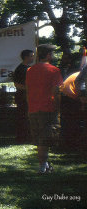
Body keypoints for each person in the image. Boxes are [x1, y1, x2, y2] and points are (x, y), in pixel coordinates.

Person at [26, 44, 63, 174]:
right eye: (52, 53)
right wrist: (58, 107)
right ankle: (42, 167)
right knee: (45, 139)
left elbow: (28, 89)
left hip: (33, 108)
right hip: (47, 108)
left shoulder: (30, 70)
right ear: (48, 55)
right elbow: (56, 91)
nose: (52, 56)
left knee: (39, 138)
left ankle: (44, 164)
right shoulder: (54, 70)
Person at [60, 63, 87, 147]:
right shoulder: (81, 78)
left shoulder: (80, 74)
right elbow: (80, 87)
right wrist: (82, 99)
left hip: (67, 95)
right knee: (72, 121)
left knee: (70, 121)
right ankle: (71, 143)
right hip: (69, 97)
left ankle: (69, 142)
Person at [13, 49, 35, 144]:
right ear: (26, 57)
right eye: (31, 56)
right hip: (22, 97)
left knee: (29, 117)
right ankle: (21, 138)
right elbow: (17, 84)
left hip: (29, 97)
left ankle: (28, 136)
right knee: (22, 117)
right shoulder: (20, 69)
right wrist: (28, 89)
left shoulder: (30, 68)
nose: (33, 58)